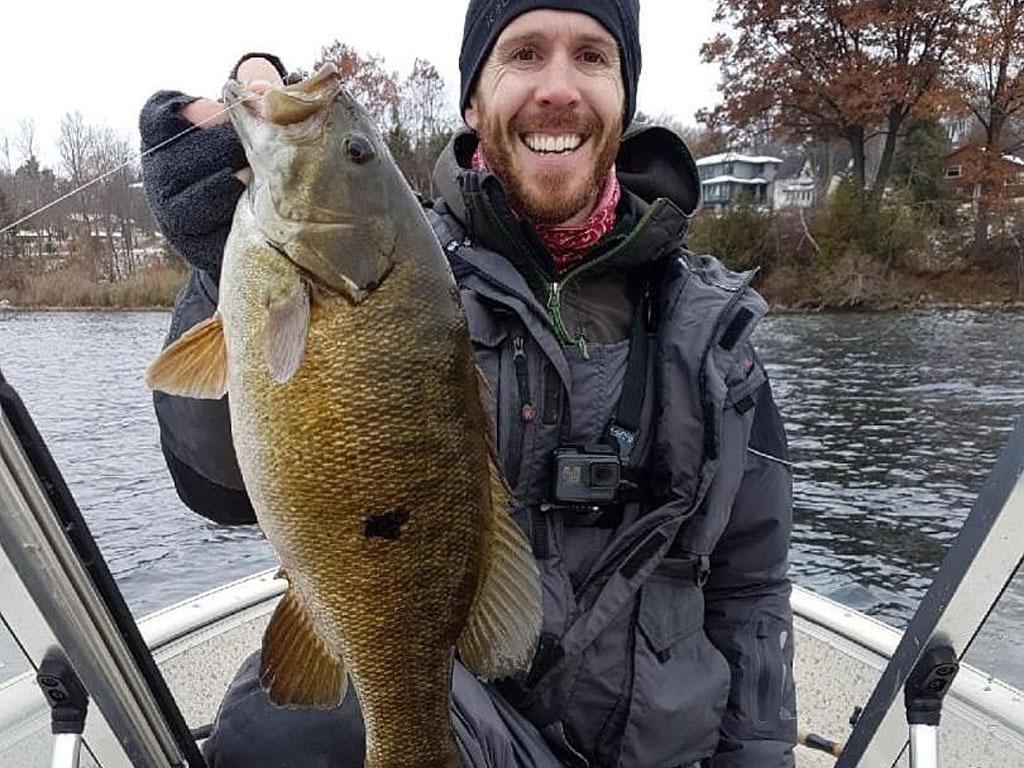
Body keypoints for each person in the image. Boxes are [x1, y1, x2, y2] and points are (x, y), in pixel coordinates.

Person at [139, 1, 798, 766]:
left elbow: (752, 595)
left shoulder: (717, 338)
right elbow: (216, 487)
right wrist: (219, 262)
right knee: (286, 731)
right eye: (522, 54)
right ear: (472, 99)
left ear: (626, 95)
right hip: (470, 730)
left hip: (662, 754)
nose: (558, 87)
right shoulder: (410, 276)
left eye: (591, 56)